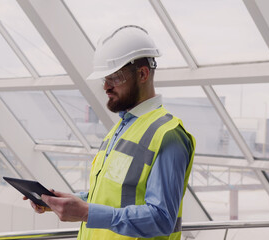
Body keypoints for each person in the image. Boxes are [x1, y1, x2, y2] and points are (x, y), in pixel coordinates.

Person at [24, 25, 195, 240]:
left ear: (142, 74)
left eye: (114, 77)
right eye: (104, 78)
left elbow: (162, 219)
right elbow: (110, 195)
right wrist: (64, 202)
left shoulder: (168, 135)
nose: (105, 86)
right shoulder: (121, 129)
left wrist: (86, 212)